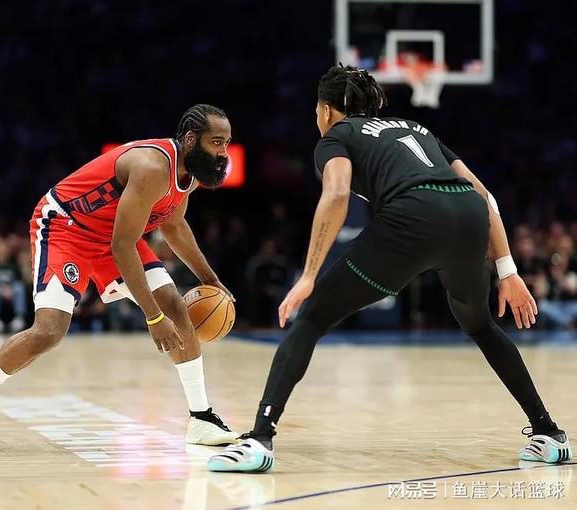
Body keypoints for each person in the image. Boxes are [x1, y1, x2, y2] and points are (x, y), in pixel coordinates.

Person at [208, 66, 572, 473]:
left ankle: (259, 439)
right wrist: (508, 271)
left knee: (311, 318)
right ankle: (549, 433)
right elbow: (484, 195)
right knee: (481, 325)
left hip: (413, 216)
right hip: (468, 215)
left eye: (316, 110)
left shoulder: (336, 136)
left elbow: (337, 193)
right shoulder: (415, 128)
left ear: (326, 110)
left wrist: (309, 276)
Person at [0, 104, 239, 452]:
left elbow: (174, 225)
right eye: (217, 142)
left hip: (111, 235)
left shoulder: (189, 174)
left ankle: (201, 417)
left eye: (226, 143)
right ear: (191, 139)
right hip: (66, 227)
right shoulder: (152, 168)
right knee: (49, 330)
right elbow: (123, 247)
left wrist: (210, 279)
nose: (223, 153)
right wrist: (153, 317)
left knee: (176, 307)